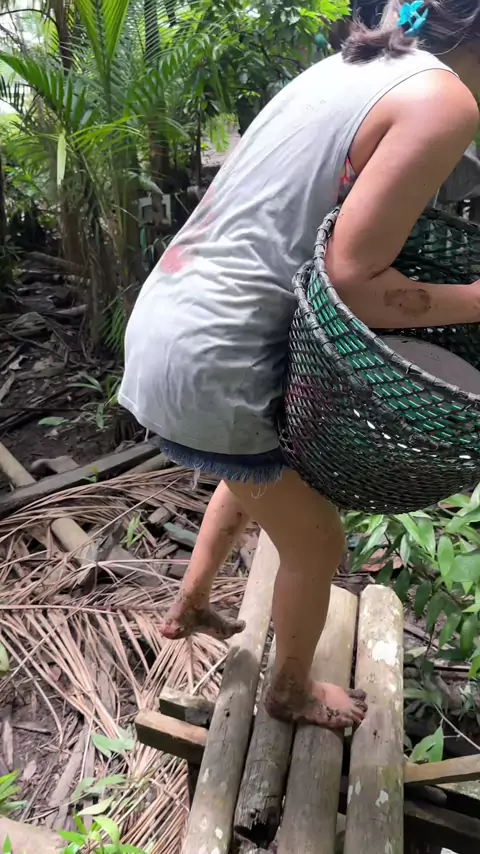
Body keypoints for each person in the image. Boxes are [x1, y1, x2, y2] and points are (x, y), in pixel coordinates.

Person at [120, 0, 480, 729]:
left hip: (172, 323)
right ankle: (288, 692)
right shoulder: (445, 100)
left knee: (259, 472)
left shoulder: (357, 66)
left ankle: (191, 603)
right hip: (219, 356)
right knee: (317, 542)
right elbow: (354, 284)